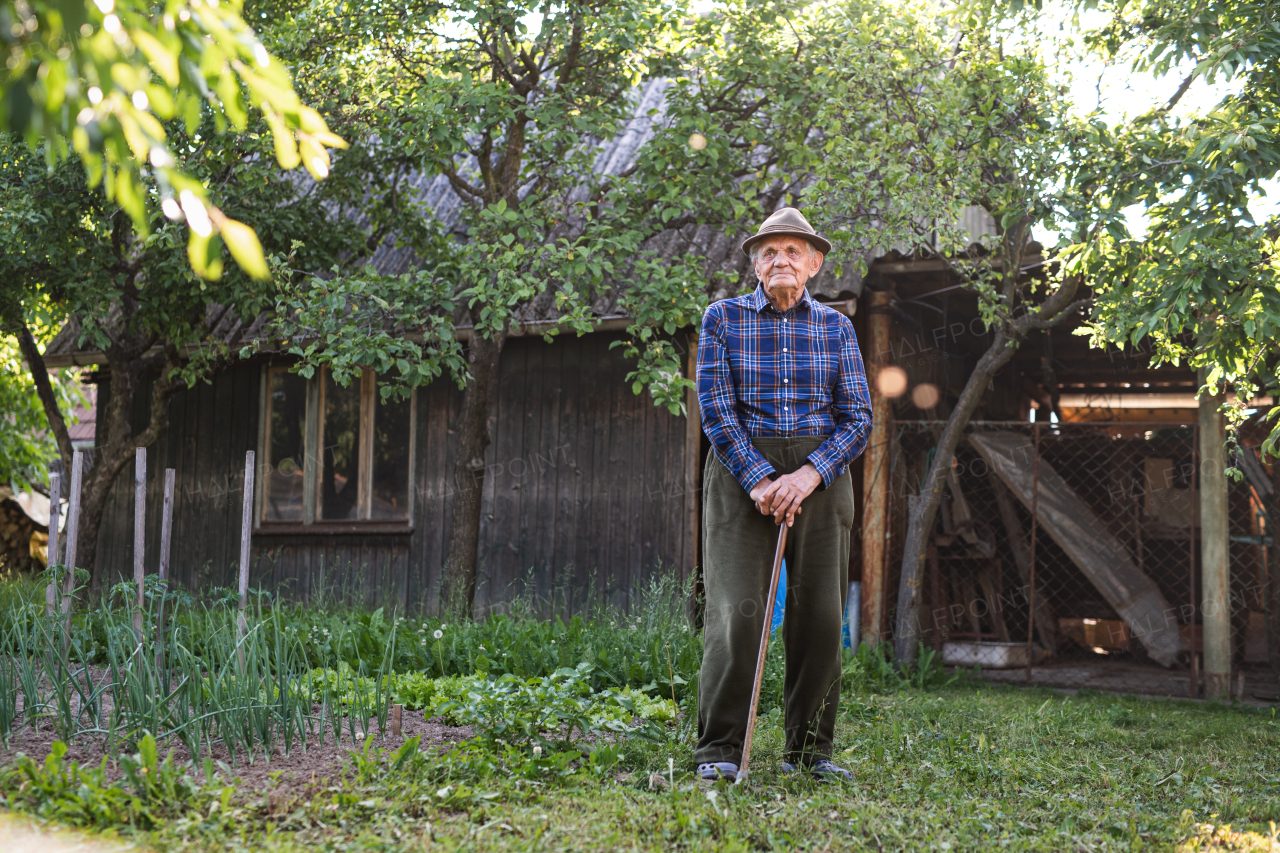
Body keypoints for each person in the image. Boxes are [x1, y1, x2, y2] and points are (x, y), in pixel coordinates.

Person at [695, 207, 873, 782]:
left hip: (821, 479)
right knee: (735, 615)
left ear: (815, 263)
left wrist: (807, 474)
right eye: (769, 251)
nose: (781, 260)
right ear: (754, 262)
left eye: (794, 251)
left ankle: (810, 753)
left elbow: (858, 418)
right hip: (740, 475)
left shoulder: (837, 327)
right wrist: (760, 479)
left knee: (820, 617)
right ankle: (720, 750)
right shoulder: (721, 319)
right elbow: (716, 407)